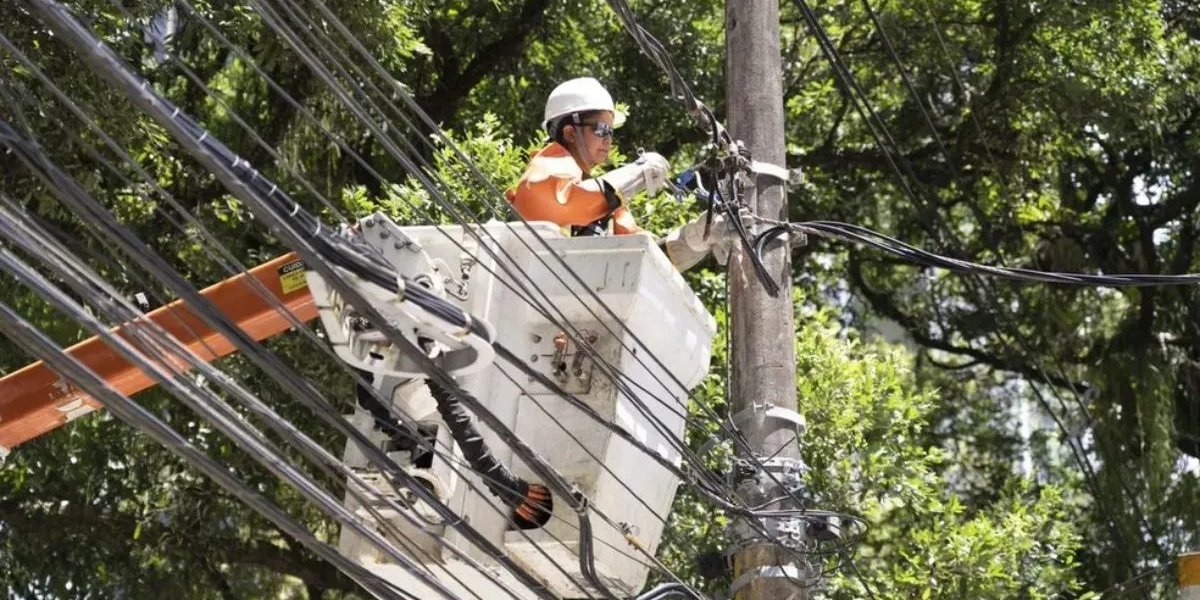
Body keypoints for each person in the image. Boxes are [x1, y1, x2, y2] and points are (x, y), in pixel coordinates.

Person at [506, 77, 725, 270]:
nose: (608, 139)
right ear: (570, 132)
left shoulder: (606, 203)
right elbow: (571, 203)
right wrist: (638, 172)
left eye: (610, 132)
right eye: (601, 129)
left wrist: (694, 239)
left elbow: (643, 257)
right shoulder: (545, 169)